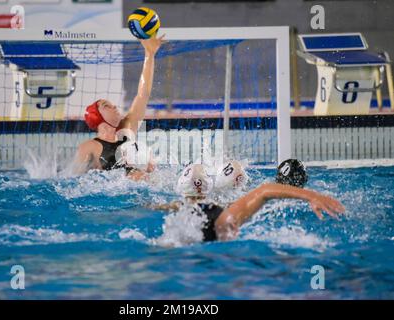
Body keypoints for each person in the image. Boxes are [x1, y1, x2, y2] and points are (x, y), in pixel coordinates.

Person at [153, 163, 345, 242]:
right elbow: (264, 191)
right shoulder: (225, 218)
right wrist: (312, 196)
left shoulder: (176, 222)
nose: (236, 231)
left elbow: (264, 191)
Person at [73, 34, 166, 180]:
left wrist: (150, 54)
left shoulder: (128, 127)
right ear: (97, 117)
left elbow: (143, 94)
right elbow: (75, 181)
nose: (114, 106)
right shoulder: (89, 147)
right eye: (106, 106)